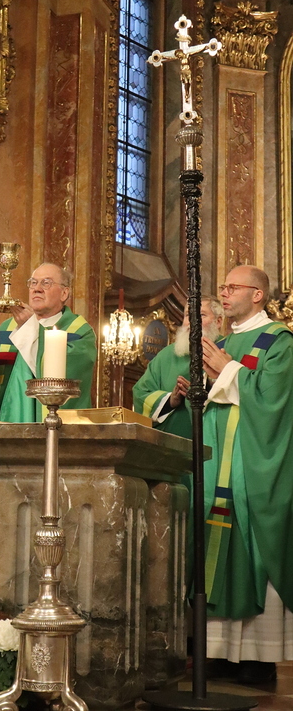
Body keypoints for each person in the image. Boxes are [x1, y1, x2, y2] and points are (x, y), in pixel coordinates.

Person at [201, 265, 293, 683]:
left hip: (253, 462)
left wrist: (228, 370)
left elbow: (275, 397)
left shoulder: (278, 340)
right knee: (215, 543)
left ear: (257, 294)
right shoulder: (221, 343)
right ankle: (217, 653)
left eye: (232, 287)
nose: (224, 293)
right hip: (217, 460)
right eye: (222, 287)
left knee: (251, 539)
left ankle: (259, 659)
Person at [0, 263, 97, 422]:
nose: (37, 289)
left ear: (64, 293)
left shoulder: (79, 330)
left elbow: (69, 377)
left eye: (46, 283)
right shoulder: (7, 328)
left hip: (46, 427)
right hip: (4, 425)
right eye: (33, 283)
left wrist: (29, 329)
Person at [132, 296, 223, 438]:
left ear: (218, 321)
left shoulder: (225, 350)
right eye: (188, 315)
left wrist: (208, 388)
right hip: (168, 443)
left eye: (201, 315)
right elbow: (140, 393)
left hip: (212, 441)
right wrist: (169, 400)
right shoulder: (166, 355)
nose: (192, 321)